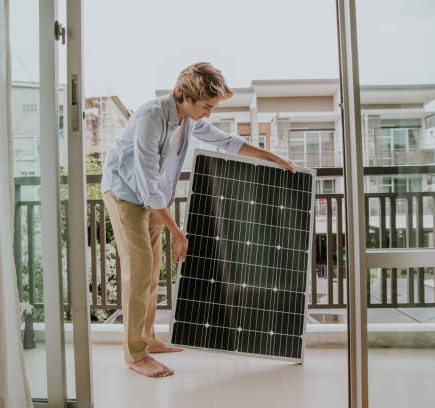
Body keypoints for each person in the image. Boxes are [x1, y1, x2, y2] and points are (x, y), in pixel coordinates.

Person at [101, 62, 296, 378]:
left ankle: (148, 339)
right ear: (182, 94)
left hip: (150, 197)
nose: (208, 113)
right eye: (205, 106)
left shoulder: (188, 119)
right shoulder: (151, 118)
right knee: (137, 271)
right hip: (125, 193)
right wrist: (178, 232)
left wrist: (273, 157)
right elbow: (147, 185)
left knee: (150, 271)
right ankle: (135, 354)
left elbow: (226, 141)